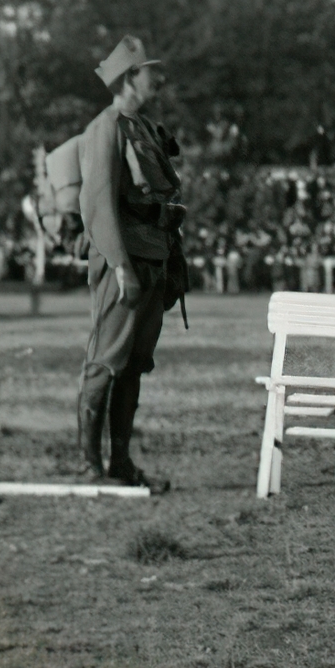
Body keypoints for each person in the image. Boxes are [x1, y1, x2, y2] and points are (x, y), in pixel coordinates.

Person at [76, 36, 186, 490]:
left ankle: (120, 461)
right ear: (127, 79)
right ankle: (90, 466)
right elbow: (98, 202)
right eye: (147, 71)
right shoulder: (106, 128)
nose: (154, 78)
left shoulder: (141, 127)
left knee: (135, 364)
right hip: (126, 264)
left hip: (154, 259)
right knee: (106, 362)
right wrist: (121, 266)